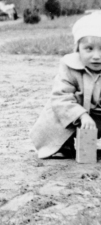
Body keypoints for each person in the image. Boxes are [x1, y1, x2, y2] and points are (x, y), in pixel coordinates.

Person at [30, 13, 101, 159]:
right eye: (89, 48)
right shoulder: (70, 67)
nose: (96, 56)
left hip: (98, 117)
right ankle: (64, 145)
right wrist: (82, 115)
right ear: (78, 49)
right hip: (74, 116)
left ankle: (88, 148)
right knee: (57, 116)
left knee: (89, 145)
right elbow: (60, 97)